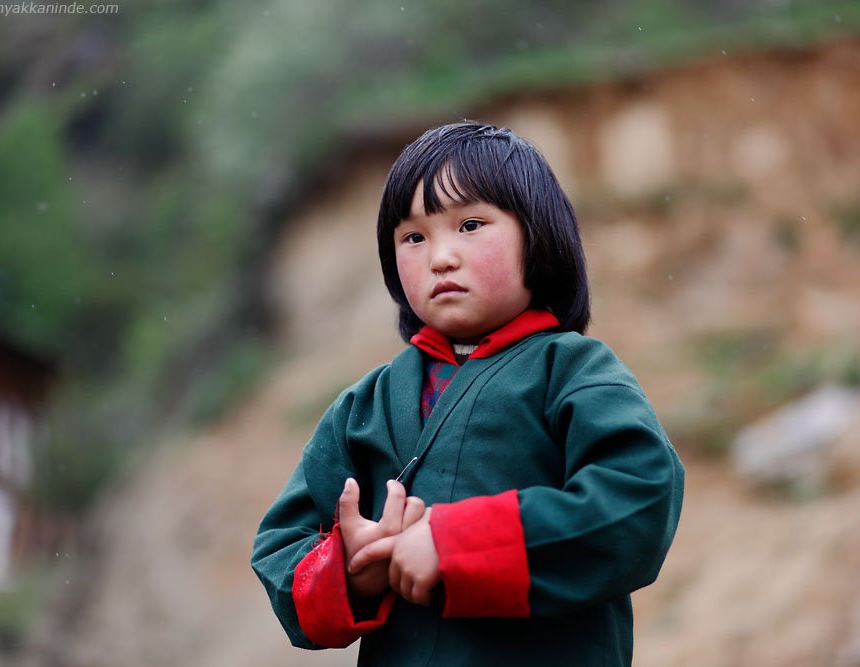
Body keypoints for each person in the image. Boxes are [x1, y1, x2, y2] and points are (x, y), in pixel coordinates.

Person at [252, 121, 684, 666]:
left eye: (471, 224)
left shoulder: (571, 370)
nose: (440, 257)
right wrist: (351, 569)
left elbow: (640, 500)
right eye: (414, 237)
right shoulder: (367, 405)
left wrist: (458, 546)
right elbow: (282, 548)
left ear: (539, 236)